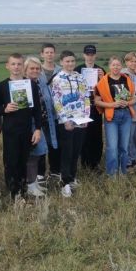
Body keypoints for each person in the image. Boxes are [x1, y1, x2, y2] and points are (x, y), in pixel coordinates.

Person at [0, 53, 42, 200]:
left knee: (24, 160)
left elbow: (37, 109)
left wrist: (38, 129)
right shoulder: (1, 86)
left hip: (27, 130)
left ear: (23, 66)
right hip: (10, 131)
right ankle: (13, 192)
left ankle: (22, 190)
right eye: (13, 64)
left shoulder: (31, 85)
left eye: (19, 64)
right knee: (11, 161)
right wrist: (4, 109)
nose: (16, 67)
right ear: (7, 66)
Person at [51, 50, 90, 197]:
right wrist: (65, 120)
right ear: (61, 62)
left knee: (76, 151)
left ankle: (72, 177)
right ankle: (65, 183)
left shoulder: (80, 77)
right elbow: (56, 101)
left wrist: (86, 117)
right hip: (66, 122)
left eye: (72, 61)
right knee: (67, 152)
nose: (70, 64)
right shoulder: (57, 79)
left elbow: (86, 97)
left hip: (80, 120)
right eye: (67, 61)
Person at [95, 56, 135, 177]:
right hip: (111, 116)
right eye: (113, 65)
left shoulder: (127, 80)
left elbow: (133, 98)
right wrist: (112, 104)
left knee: (124, 146)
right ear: (109, 66)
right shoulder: (102, 82)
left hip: (126, 115)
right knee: (112, 146)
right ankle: (112, 173)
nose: (116, 67)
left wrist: (127, 103)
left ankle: (123, 171)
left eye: (118, 65)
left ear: (121, 66)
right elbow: (97, 101)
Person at [24, 57, 56, 196]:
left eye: (37, 68)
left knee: (39, 152)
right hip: (29, 123)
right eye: (32, 68)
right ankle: (30, 185)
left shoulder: (40, 82)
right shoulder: (22, 84)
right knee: (33, 154)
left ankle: (34, 183)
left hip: (41, 122)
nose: (35, 70)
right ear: (25, 70)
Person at [75, 45, 104, 171]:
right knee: (84, 135)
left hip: (96, 107)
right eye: (88, 54)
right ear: (84, 55)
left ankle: (95, 162)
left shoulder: (100, 70)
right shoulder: (78, 69)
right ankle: (84, 162)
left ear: (95, 55)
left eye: (92, 54)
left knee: (96, 135)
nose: (90, 56)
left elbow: (106, 91)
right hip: (81, 108)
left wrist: (102, 78)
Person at [37, 42, 61, 183]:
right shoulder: (36, 71)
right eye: (47, 52)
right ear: (42, 54)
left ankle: (55, 171)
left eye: (52, 52)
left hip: (58, 114)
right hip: (42, 115)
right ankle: (40, 174)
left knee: (55, 144)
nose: (49, 55)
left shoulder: (60, 70)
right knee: (40, 144)